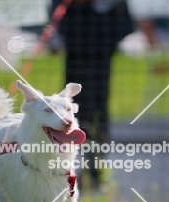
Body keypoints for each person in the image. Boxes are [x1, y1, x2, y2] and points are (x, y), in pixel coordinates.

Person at [54, 0, 134, 190]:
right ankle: (66, 169)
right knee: (70, 109)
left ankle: (94, 170)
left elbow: (119, 16)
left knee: (96, 112)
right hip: (75, 49)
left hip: (99, 50)